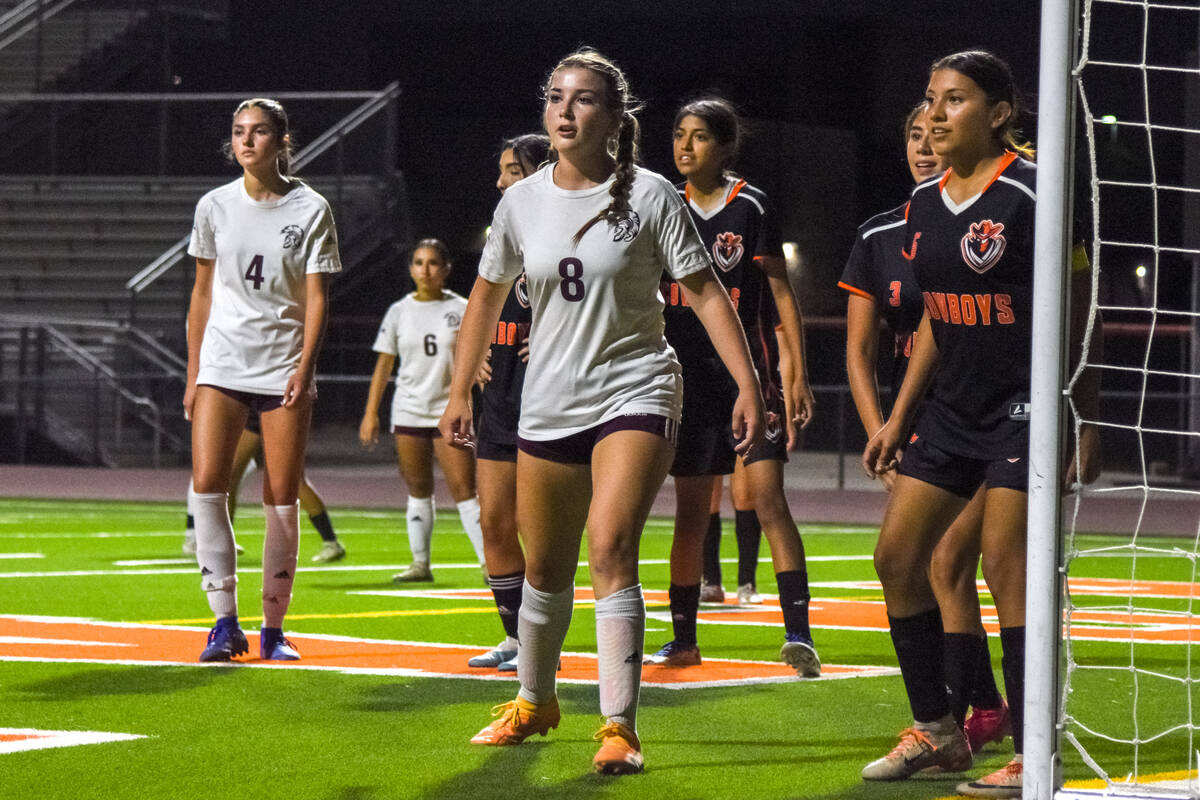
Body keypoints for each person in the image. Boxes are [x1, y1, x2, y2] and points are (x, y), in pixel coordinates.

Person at [438, 49, 764, 775]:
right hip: (549, 396)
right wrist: (459, 390)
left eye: (582, 99)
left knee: (610, 545)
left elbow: (708, 293)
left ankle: (619, 727)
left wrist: (749, 385)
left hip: (638, 385)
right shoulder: (520, 203)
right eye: (555, 96)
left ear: (615, 118)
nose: (563, 110)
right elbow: (485, 301)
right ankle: (534, 701)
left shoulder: (650, 196)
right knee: (545, 570)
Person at [858, 51, 1100, 798]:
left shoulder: (1037, 192)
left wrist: (1083, 418)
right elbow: (936, 315)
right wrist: (898, 417)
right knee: (897, 559)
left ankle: (1034, 750)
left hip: (1025, 407)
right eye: (929, 99)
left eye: (953, 100)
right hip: (952, 414)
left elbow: (1082, 309)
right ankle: (938, 729)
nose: (933, 115)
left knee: (1004, 564)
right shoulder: (927, 204)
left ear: (999, 113)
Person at [840, 103, 1008, 754]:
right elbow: (858, 352)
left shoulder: (984, 215)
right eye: (911, 132)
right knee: (924, 563)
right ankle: (979, 706)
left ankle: (960, 718)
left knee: (950, 562)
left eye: (932, 130)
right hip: (918, 426)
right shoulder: (880, 234)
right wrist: (881, 428)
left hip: (984, 412)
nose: (923, 143)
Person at [645, 97, 819, 677]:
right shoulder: (660, 205)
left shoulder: (750, 208)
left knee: (768, 501)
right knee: (692, 513)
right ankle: (685, 639)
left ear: (725, 147)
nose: (685, 146)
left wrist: (794, 370)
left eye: (698, 136)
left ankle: (800, 635)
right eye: (678, 134)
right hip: (687, 382)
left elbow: (781, 296)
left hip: (749, 378)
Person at [184, 97, 341, 663]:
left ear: (282, 140)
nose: (247, 141)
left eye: (259, 132)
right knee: (208, 483)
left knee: (280, 492)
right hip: (223, 363)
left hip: (283, 365)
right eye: (239, 132)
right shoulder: (214, 206)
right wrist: (192, 370)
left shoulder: (311, 207)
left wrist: (306, 365)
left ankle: (274, 628)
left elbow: (318, 297)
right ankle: (223, 623)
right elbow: (201, 293)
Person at [467, 133, 551, 672]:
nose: (500, 182)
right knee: (494, 523)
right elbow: (477, 304)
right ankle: (516, 641)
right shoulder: (503, 238)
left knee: (541, 531)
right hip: (497, 397)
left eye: (511, 171)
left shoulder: (563, 234)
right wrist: (470, 357)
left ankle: (544, 645)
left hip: (548, 397)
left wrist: (552, 332)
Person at [360, 239, 487, 582]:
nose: (425, 269)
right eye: (418, 262)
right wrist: (371, 412)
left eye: (433, 263)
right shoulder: (399, 311)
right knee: (417, 486)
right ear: (411, 268)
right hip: (409, 409)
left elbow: (473, 356)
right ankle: (420, 564)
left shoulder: (462, 308)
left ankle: (489, 563)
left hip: (449, 409)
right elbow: (384, 366)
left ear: (446, 269)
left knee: (464, 488)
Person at [183, 412, 346, 564]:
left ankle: (331, 542)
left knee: (294, 481)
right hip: (256, 407)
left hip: (281, 405)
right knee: (229, 475)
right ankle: (225, 544)